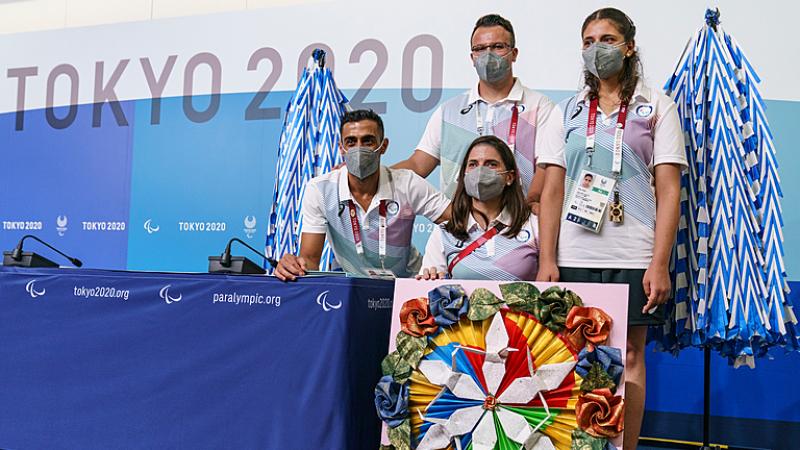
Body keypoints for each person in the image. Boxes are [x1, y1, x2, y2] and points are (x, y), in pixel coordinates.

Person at [555, 8, 686, 448]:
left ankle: (624, 446)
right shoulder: (568, 110)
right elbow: (553, 189)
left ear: (629, 46)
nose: (597, 49)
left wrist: (659, 263)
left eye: (607, 39)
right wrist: (549, 258)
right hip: (574, 253)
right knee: (573, 355)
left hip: (634, 254)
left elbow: (669, 190)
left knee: (629, 354)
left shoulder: (656, 106)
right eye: (589, 41)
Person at [394, 13, 565, 281]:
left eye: (498, 47)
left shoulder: (540, 108)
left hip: (519, 233)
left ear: (514, 53)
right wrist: (376, 174)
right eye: (480, 49)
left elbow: (548, 167)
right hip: (462, 232)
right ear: (471, 56)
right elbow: (417, 165)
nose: (488, 55)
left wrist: (531, 206)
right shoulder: (449, 111)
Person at [274, 109, 451, 281]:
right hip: (352, 287)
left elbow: (458, 222)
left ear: (383, 146)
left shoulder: (407, 183)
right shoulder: (320, 189)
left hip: (407, 284)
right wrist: (294, 267)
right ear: (341, 148)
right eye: (351, 142)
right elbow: (310, 260)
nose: (358, 149)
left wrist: (436, 263)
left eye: (368, 141)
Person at [418, 135, 538, 280]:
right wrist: (430, 279)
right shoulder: (444, 232)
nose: (480, 171)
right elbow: (430, 292)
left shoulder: (534, 224)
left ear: (510, 177)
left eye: (491, 164)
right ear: (463, 175)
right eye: (473, 164)